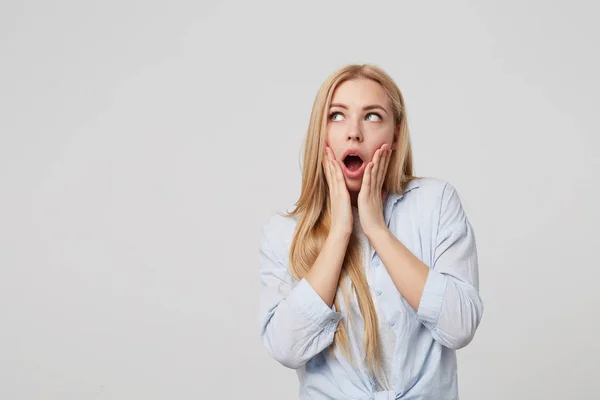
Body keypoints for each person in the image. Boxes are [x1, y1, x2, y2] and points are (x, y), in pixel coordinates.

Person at [258, 64, 483, 400]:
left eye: (372, 116)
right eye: (336, 116)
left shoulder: (435, 204)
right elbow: (286, 348)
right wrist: (339, 234)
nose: (354, 133)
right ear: (320, 134)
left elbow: (460, 326)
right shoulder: (283, 233)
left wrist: (376, 229)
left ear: (395, 134)